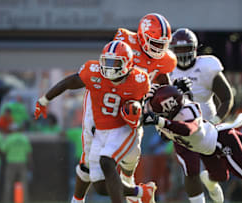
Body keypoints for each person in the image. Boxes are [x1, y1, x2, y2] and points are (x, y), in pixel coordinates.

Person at [36, 13, 182, 203]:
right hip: (102, 103)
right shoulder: (124, 44)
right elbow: (99, 69)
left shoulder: (163, 62)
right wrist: (45, 99)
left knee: (130, 154)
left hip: (130, 106)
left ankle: (131, 187)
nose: (159, 49)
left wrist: (168, 107)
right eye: (155, 43)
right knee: (91, 160)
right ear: (142, 37)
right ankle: (83, 199)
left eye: (163, 44)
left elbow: (163, 86)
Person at [34, 40, 154, 203]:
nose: (110, 67)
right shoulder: (93, 72)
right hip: (101, 130)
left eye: (115, 63)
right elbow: (69, 82)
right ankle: (141, 192)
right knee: (100, 185)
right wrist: (44, 100)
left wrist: (140, 112)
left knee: (106, 161)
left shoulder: (139, 79)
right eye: (107, 62)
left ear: (127, 64)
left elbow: (150, 103)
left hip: (124, 128)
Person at [169, 28, 234, 203]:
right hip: (183, 129)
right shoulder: (166, 71)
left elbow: (227, 98)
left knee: (220, 174)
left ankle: (211, 183)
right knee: (191, 170)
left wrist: (215, 121)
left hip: (207, 127)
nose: (182, 54)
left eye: (186, 49)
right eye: (179, 50)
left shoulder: (207, 66)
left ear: (195, 49)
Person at [2, 125, 33, 203]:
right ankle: (24, 200)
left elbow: (4, 151)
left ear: (12, 130)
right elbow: (29, 153)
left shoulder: (9, 138)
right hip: (22, 162)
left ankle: (7, 201)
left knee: (8, 183)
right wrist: (30, 164)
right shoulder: (24, 138)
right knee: (24, 183)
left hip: (11, 162)